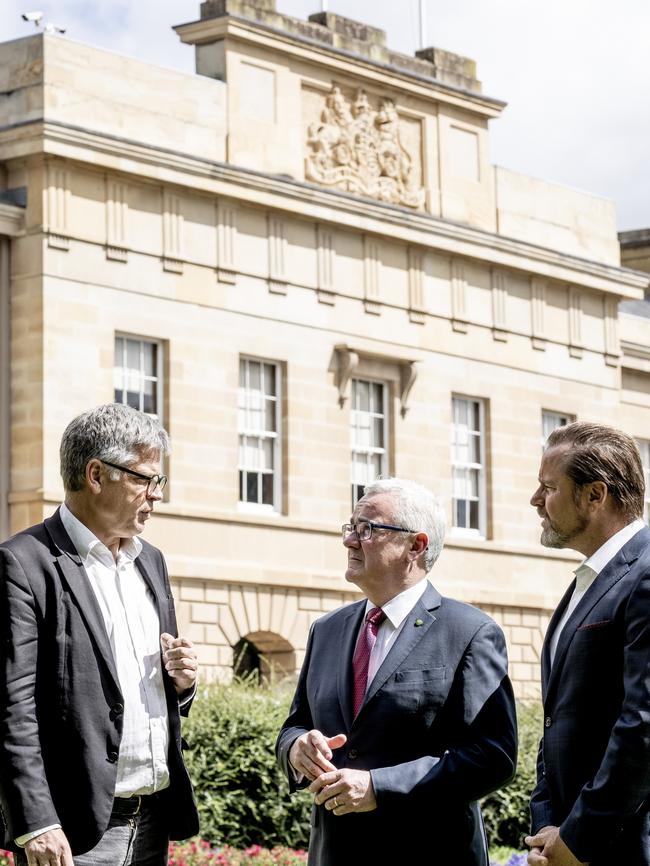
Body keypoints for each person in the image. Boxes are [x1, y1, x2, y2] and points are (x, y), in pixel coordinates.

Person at [276, 477, 517, 866]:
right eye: (351, 527)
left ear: (416, 546)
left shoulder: (470, 632)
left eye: (367, 529)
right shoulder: (327, 629)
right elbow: (295, 724)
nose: (350, 541)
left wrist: (378, 787)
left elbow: (492, 756)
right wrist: (296, 748)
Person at [0, 404, 200, 866]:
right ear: (95, 474)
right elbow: (12, 708)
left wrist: (182, 685)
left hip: (152, 821)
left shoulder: (152, 561)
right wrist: (36, 823)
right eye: (144, 480)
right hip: (73, 832)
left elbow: (142, 685)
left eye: (159, 482)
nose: (156, 495)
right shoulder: (22, 564)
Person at [526, 422, 650, 866]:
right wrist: (545, 827)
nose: (535, 500)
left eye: (548, 487)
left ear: (595, 495)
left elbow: (643, 726)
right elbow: (556, 722)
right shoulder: (585, 582)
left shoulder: (645, 573)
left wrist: (579, 838)